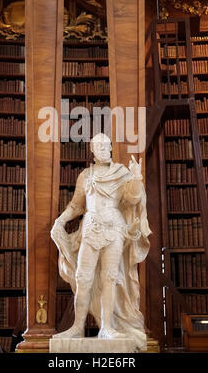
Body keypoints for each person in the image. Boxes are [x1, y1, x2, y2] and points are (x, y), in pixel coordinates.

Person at [50, 133, 151, 351]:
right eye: (99, 146)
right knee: (82, 276)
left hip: (114, 228)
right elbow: (77, 206)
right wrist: (61, 220)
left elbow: (132, 199)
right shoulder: (86, 175)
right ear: (93, 150)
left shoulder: (121, 172)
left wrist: (136, 178)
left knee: (110, 277)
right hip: (91, 226)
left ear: (111, 148)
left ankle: (106, 326)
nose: (104, 148)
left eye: (107, 145)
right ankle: (77, 326)